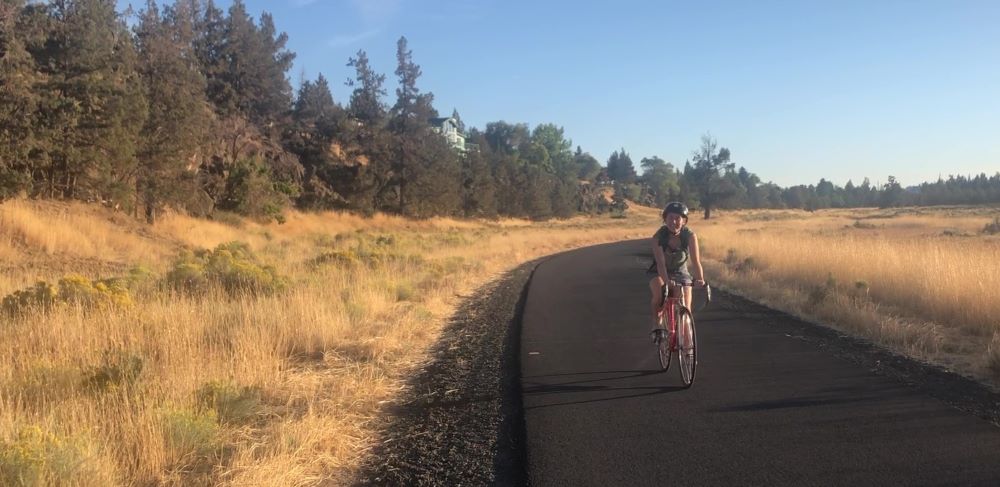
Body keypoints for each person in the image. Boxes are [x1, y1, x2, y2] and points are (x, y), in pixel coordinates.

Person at [649, 202, 705, 330]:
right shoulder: (658, 238)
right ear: (665, 219)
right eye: (670, 218)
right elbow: (660, 263)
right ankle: (657, 323)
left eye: (677, 218)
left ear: (684, 221)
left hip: (681, 272)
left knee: (686, 308)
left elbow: (696, 261)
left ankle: (686, 344)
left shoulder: (689, 236)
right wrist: (667, 281)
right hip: (659, 272)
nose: (673, 222)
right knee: (660, 296)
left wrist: (700, 279)